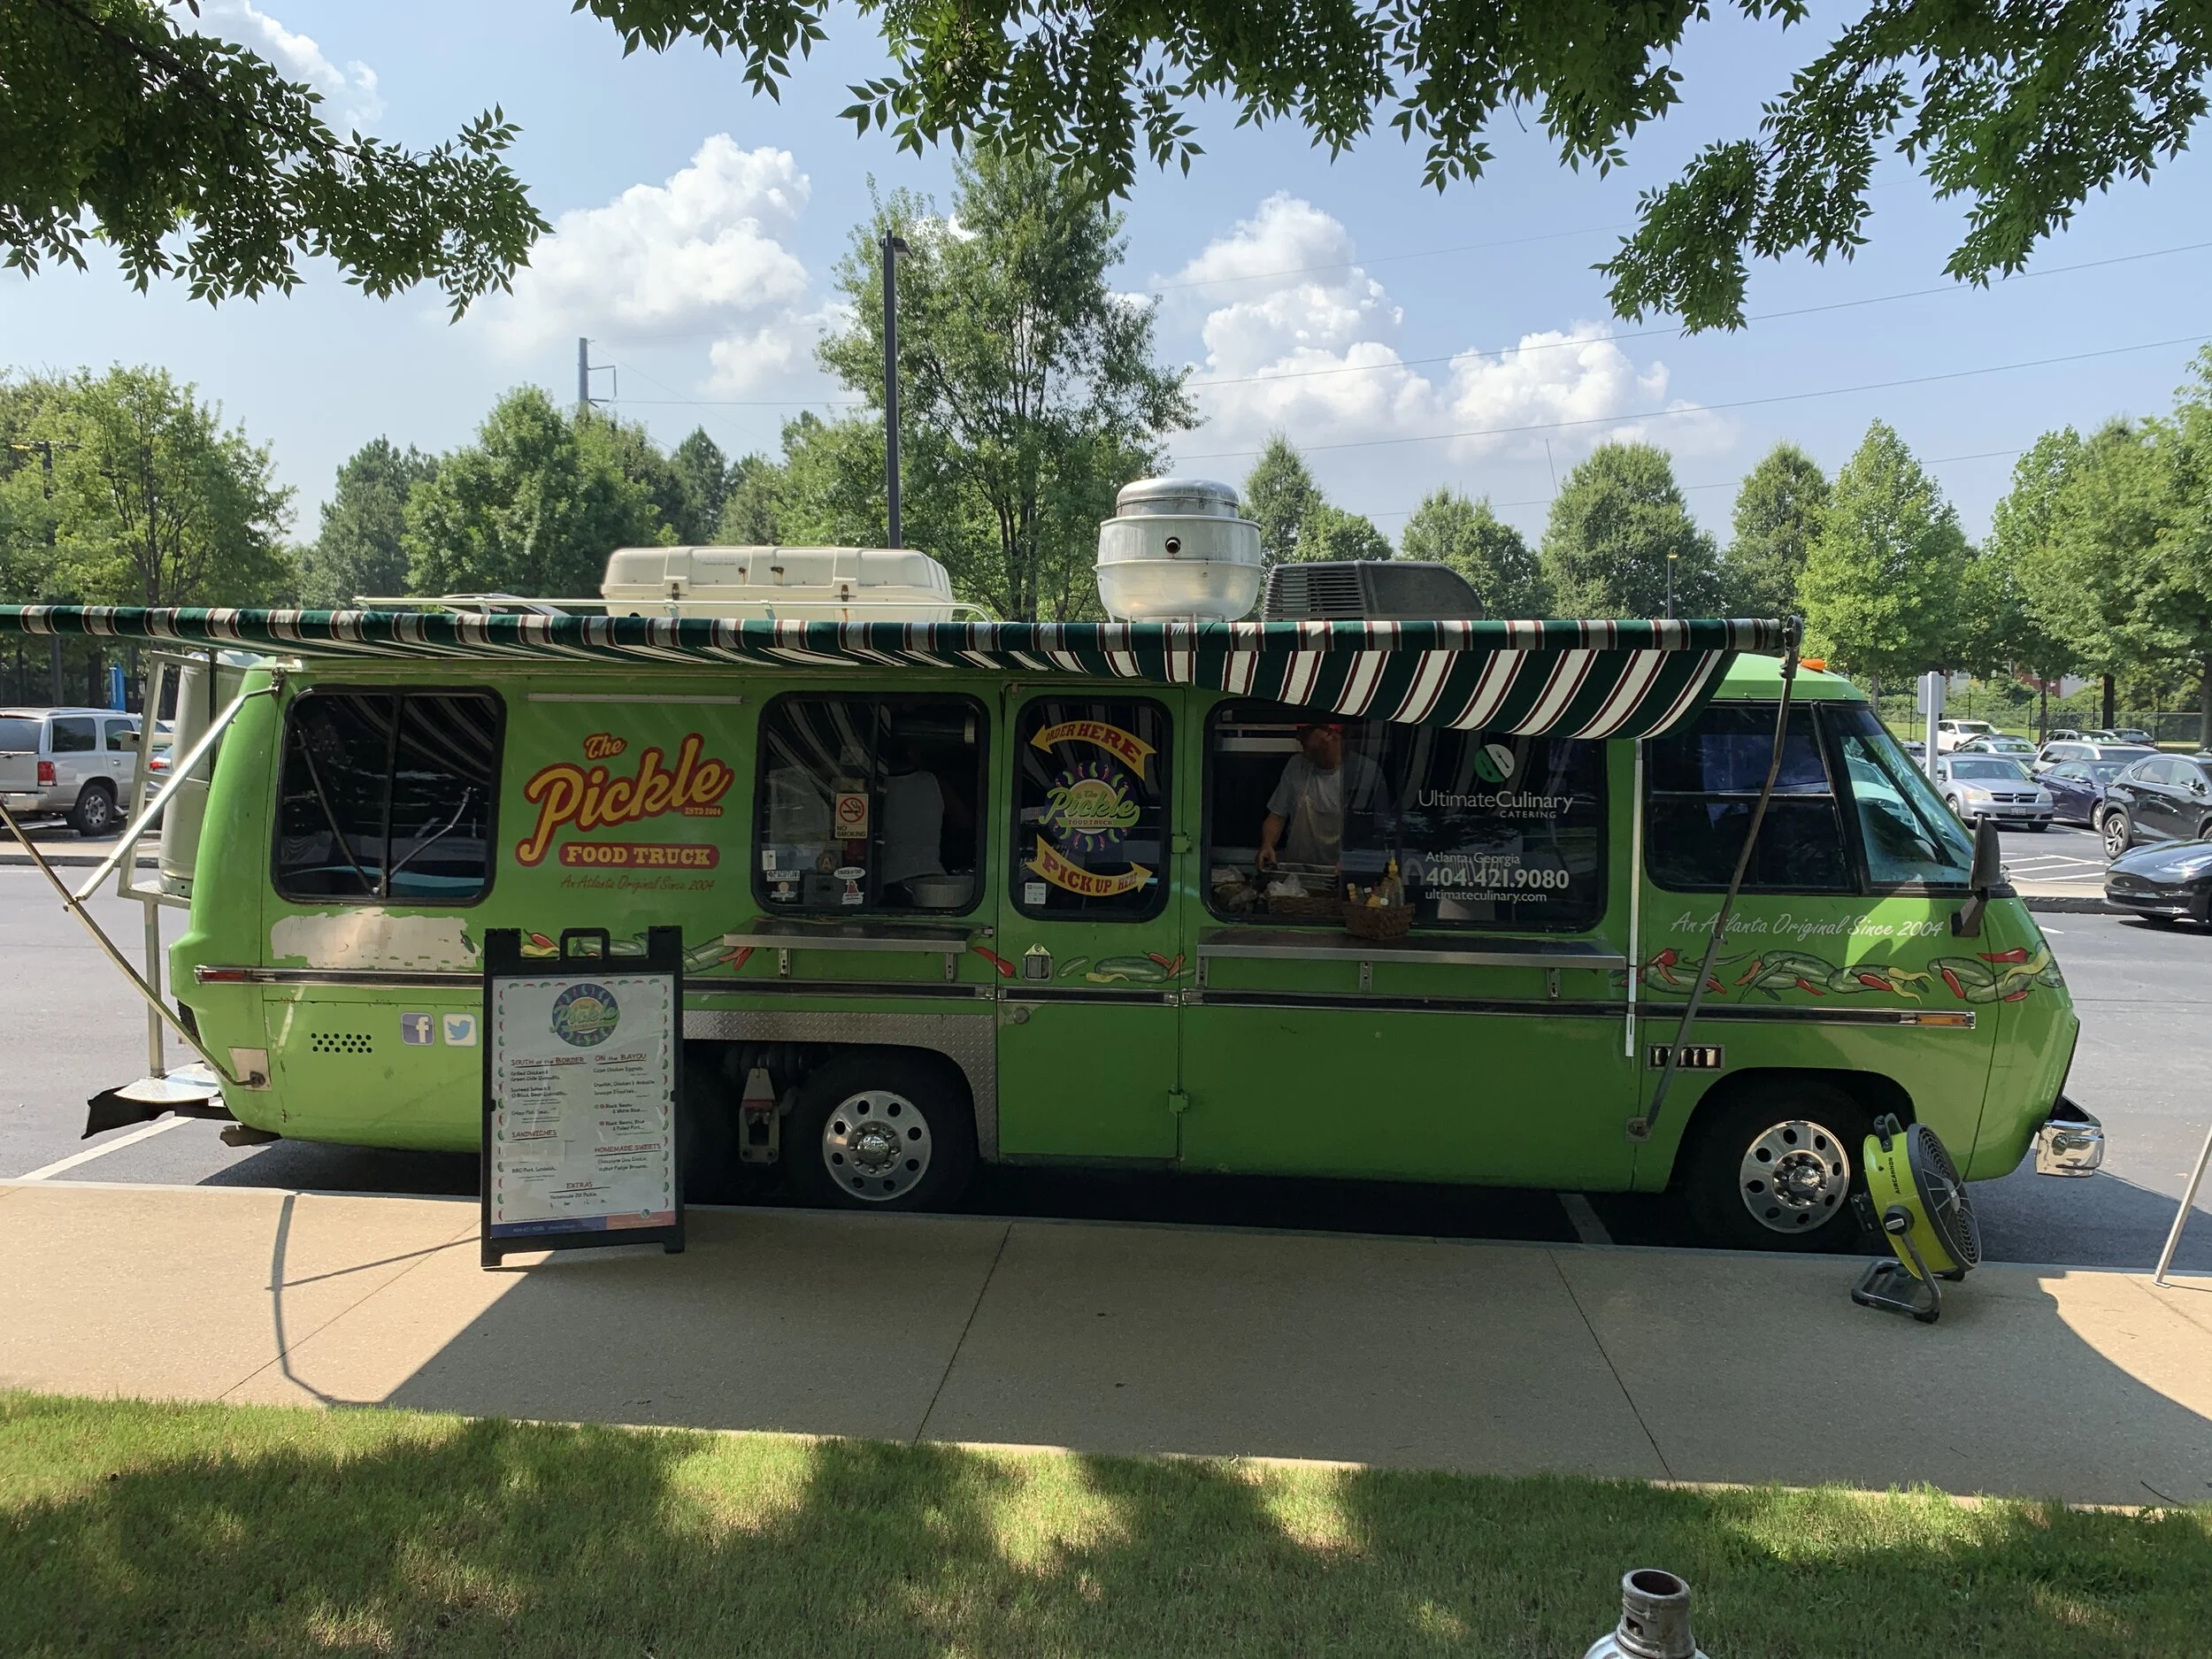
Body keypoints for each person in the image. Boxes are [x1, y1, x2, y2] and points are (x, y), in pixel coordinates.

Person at [1256, 723, 1384, 871]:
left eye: (1304, 731)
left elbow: (1379, 833)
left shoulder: (1365, 773)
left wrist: (1352, 863)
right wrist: (1267, 844)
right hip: (1297, 874)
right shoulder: (1296, 766)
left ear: (1329, 733)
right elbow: (1277, 816)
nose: (1298, 738)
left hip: (1341, 876)